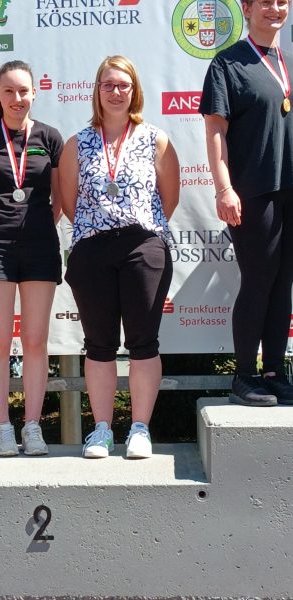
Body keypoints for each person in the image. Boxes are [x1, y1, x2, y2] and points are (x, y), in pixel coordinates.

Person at [59, 55, 179, 459]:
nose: (116, 91)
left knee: (144, 340)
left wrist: (137, 230)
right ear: (97, 90)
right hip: (93, 249)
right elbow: (70, 203)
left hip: (143, 247)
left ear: (134, 90)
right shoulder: (78, 142)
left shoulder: (155, 139)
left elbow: (169, 198)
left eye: (123, 85)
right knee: (99, 344)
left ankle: (140, 429)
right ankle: (102, 430)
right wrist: (100, 229)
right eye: (108, 84)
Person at [200, 0, 293, 406]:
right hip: (254, 190)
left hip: (290, 189)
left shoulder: (287, 62)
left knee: (283, 283)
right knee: (258, 281)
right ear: (247, 8)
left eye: (282, 2)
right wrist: (224, 188)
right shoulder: (227, 64)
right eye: (266, 2)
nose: (275, 9)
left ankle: (275, 369)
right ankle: (244, 375)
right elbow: (216, 132)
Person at [0, 60, 63, 456]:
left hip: (40, 246)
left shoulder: (50, 136)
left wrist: (37, 225)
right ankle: (4, 428)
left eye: (23, 90)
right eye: (9, 91)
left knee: (36, 339)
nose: (17, 98)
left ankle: (33, 426)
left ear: (34, 94)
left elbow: (59, 200)